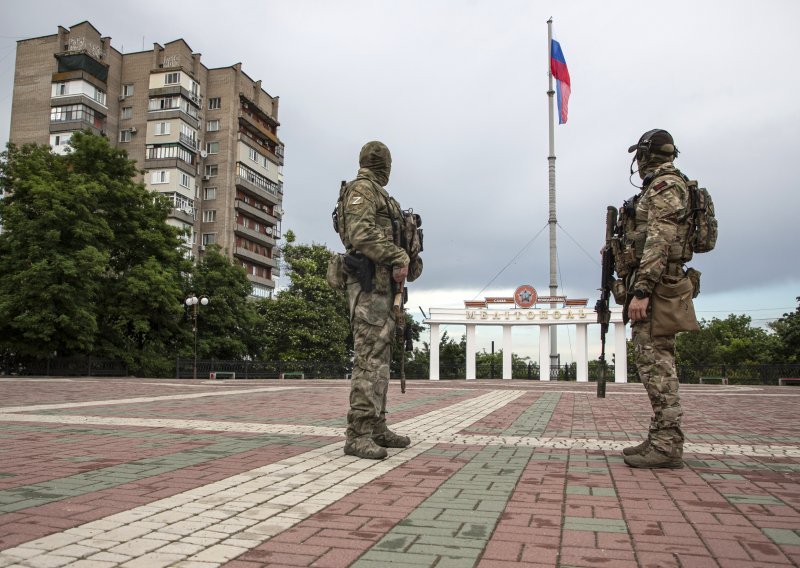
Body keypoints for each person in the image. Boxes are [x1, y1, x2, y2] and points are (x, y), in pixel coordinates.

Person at [615, 129, 700, 469]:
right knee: (652, 363)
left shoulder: (665, 186)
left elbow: (659, 241)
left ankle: (667, 445)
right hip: (659, 283)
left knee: (657, 365)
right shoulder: (664, 185)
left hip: (659, 288)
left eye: (639, 157)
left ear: (646, 156)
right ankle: (661, 436)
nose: (637, 165)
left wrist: (642, 291)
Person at [338, 141, 413, 460]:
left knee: (380, 362)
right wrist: (398, 255)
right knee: (368, 359)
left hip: (384, 291)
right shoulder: (364, 190)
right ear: (384, 164)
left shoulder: (382, 196)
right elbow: (360, 233)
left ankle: (376, 426)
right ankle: (357, 434)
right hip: (369, 289)